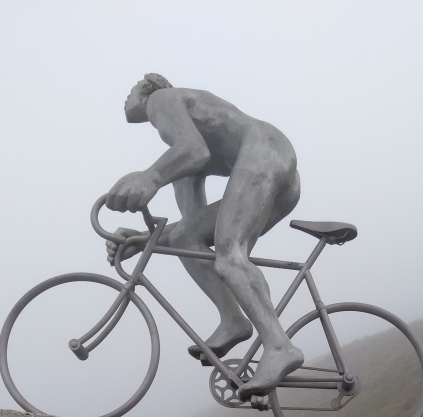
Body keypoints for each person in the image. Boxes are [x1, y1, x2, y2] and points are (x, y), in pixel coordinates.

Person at [105, 74, 304, 400]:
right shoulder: (183, 161)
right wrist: (141, 239)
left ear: (146, 91)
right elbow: (189, 230)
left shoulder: (162, 100)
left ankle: (280, 346)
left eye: (132, 90)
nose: (127, 97)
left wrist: (150, 177)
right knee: (187, 240)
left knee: (230, 255)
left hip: (267, 152)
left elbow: (193, 150)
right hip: (280, 173)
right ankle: (232, 320)